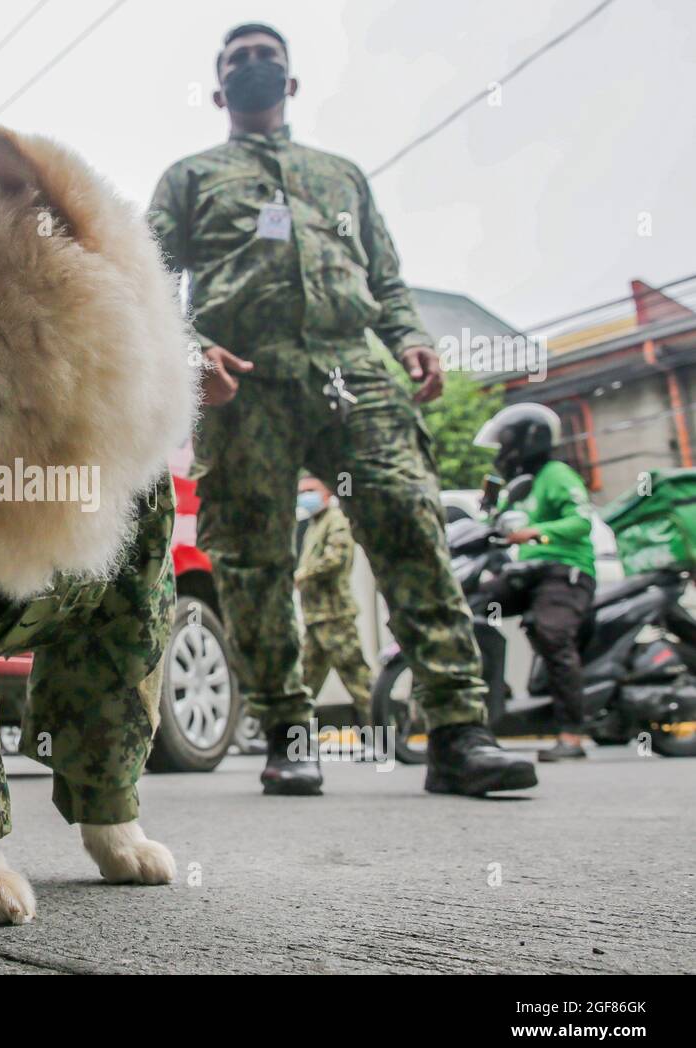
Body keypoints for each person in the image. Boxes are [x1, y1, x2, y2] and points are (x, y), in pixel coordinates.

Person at [148, 22, 537, 797]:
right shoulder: (190, 177)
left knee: (410, 523)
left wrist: (411, 338)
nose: (255, 68)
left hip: (351, 371)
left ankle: (460, 730)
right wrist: (189, 351)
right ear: (220, 89)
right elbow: (148, 278)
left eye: (269, 59)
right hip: (243, 377)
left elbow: (386, 276)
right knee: (253, 560)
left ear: (290, 84)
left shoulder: (341, 175)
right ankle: (289, 733)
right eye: (238, 62)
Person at [475, 404, 596, 762]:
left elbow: (582, 521)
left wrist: (536, 533)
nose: (501, 452)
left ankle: (572, 734)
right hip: (528, 574)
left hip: (565, 570)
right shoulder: (519, 485)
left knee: (551, 634)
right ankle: (494, 696)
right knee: (470, 604)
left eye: (505, 443)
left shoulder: (556, 474)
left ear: (528, 439)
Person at [295, 477, 373, 729]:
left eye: (311, 490)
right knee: (305, 683)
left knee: (358, 679)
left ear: (327, 493)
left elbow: (337, 558)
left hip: (335, 615)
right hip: (315, 616)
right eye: (302, 491)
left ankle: (380, 734)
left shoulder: (336, 519)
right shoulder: (314, 524)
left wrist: (302, 574)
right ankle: (294, 737)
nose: (305, 496)